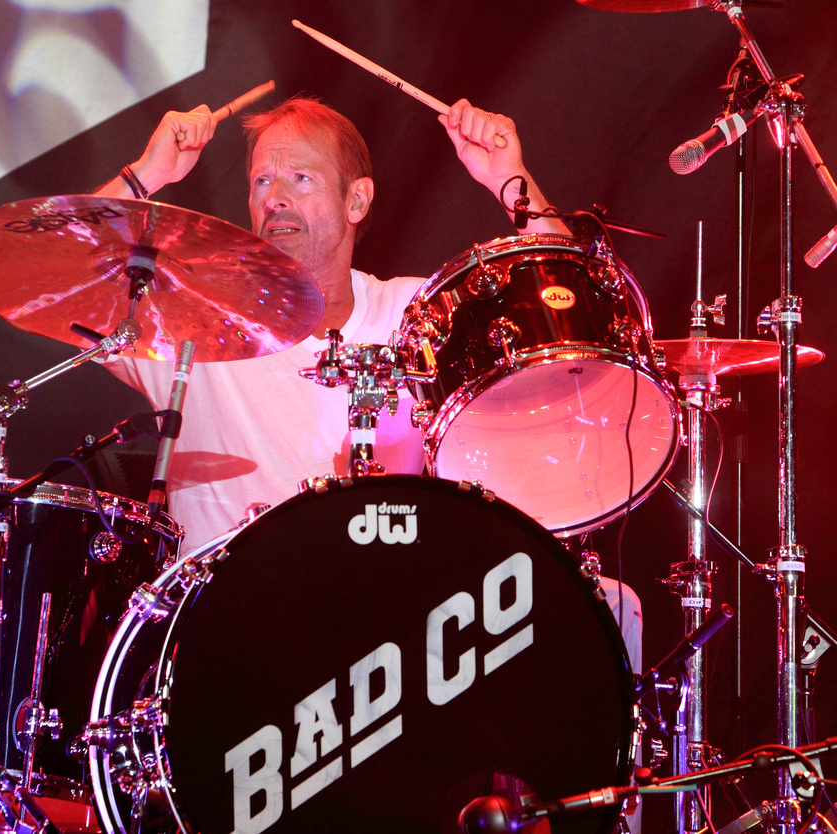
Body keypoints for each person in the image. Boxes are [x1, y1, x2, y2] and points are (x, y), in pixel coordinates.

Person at [94, 94, 641, 664]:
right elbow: (61, 273)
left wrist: (509, 178)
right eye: (261, 182)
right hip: (222, 641)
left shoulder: (414, 315)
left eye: (300, 178)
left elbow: (567, 321)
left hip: (385, 648)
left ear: (357, 199)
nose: (274, 198)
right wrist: (147, 174)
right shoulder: (196, 320)